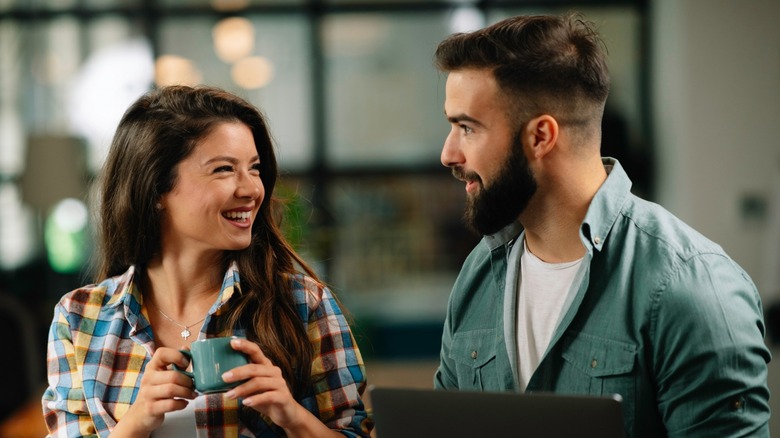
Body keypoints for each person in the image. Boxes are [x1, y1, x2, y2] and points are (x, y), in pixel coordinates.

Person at [432, 14, 770, 437]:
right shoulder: (479, 275)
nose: (448, 154)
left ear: (540, 137)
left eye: (467, 128)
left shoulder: (691, 287)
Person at [42, 85, 373, 438]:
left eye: (255, 168)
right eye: (224, 170)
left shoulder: (304, 304)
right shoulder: (79, 318)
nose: (251, 190)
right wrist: (136, 422)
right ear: (156, 189)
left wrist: (291, 415)